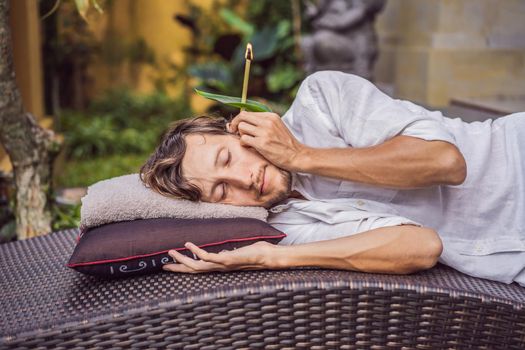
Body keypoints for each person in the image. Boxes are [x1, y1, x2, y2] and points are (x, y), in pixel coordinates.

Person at [140, 71, 525, 287]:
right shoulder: (284, 226)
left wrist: (300, 156)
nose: (245, 180)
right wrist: (272, 257)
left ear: (240, 129)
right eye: (221, 191)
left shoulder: (320, 101)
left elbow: (446, 162)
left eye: (228, 158)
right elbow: (421, 245)